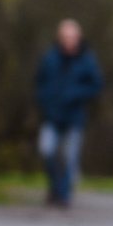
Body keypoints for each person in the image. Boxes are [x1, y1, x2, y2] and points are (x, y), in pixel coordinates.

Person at [33, 19, 105, 208]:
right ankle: (55, 188)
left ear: (78, 38)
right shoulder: (50, 57)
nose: (69, 41)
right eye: (66, 37)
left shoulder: (86, 59)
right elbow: (39, 82)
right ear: (60, 37)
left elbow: (96, 85)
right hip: (51, 115)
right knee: (47, 150)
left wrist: (76, 94)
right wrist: (44, 101)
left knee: (69, 157)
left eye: (73, 37)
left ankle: (63, 196)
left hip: (74, 116)